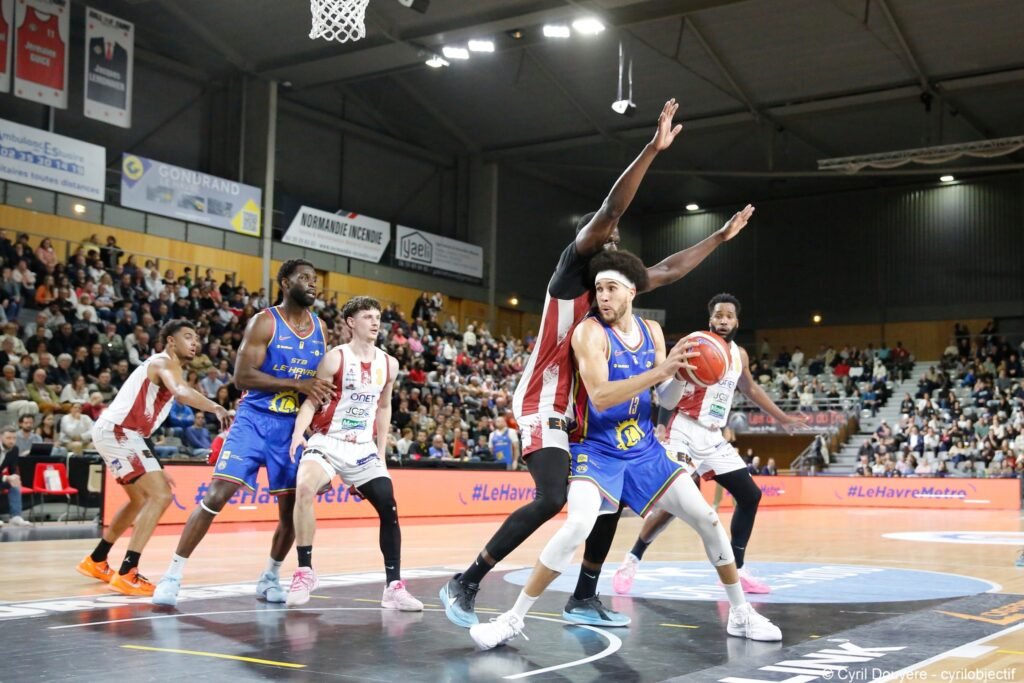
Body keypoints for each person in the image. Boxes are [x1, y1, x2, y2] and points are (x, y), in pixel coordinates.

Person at [441, 98, 756, 628]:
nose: (613, 243)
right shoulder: (570, 277)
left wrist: (720, 238)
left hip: (590, 408)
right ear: (585, 244)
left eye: (615, 246)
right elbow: (610, 211)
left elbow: (669, 270)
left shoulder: (616, 292)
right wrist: (652, 150)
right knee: (553, 498)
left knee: (608, 500)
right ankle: (467, 580)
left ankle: (584, 595)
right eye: (605, 241)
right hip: (547, 401)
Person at [469, 252, 780, 649]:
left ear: (631, 291)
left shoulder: (651, 331)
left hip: (644, 447)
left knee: (707, 517)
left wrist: (685, 376)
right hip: (595, 447)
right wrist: (663, 371)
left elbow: (665, 394)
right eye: (598, 289)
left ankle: (741, 614)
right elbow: (599, 395)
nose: (603, 297)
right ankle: (511, 620)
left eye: (611, 288)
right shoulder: (590, 333)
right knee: (578, 524)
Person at [152, 260, 332, 607]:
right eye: (304, 278)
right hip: (254, 420)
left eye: (315, 279)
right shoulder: (265, 322)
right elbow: (241, 377)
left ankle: (270, 576)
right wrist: (298, 383)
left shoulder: (321, 328)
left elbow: (318, 384)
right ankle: (172, 575)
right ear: (284, 283)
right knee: (217, 495)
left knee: (291, 509)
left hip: (290, 427)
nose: (312, 284)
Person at [613, 294, 808, 595]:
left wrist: (782, 418)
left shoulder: (739, 356)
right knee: (674, 505)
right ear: (710, 319)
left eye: (729, 315)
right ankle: (632, 559)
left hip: (713, 435)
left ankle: (736, 568)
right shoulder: (695, 342)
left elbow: (751, 388)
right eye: (718, 315)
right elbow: (670, 381)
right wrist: (663, 423)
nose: (723, 320)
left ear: (736, 321)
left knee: (750, 495)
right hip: (681, 429)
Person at [284, 296, 422, 611]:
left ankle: (393, 587)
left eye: (377, 317)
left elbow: (384, 407)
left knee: (388, 505)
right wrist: (297, 434)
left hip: (362, 448)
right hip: (328, 440)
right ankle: (305, 571)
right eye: (368, 317)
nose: (375, 322)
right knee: (304, 486)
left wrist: (381, 454)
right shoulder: (335, 358)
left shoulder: (389, 363)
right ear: (351, 322)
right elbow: (310, 402)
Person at [77, 320, 228, 596]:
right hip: (121, 432)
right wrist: (216, 407)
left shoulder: (168, 367)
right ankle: (128, 572)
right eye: (187, 337)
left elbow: (144, 424)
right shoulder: (164, 362)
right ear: (170, 341)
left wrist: (156, 465)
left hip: (120, 432)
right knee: (160, 496)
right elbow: (182, 393)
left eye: (197, 338)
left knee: (139, 499)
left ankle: (97, 560)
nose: (195, 343)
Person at [0, 427, 32, 527]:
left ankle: (15, 517)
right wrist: (6, 478)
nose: (11, 441)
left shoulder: (14, 449)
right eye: (8, 438)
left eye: (14, 438)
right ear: (1, 437)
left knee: (14, 484)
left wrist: (16, 477)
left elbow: (13, 468)